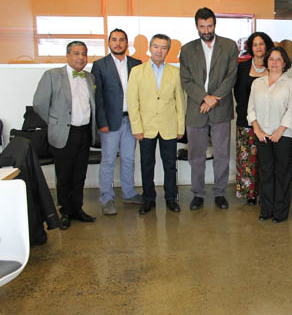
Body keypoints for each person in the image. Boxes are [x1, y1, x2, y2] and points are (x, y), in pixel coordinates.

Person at [33, 41, 98, 228]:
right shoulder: (52, 75)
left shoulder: (89, 77)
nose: (81, 57)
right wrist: (55, 122)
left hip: (84, 132)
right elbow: (39, 103)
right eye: (76, 53)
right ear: (68, 56)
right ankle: (64, 211)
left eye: (84, 54)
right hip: (64, 133)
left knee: (79, 173)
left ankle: (77, 208)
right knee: (64, 174)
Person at [180, 7, 239, 211]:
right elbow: (186, 79)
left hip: (220, 108)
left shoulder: (229, 46)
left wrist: (213, 99)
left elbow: (231, 76)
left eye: (210, 26)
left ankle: (220, 193)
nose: (206, 30)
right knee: (196, 155)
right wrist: (204, 97)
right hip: (196, 109)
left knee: (222, 154)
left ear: (215, 24)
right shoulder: (187, 49)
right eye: (202, 26)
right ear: (196, 26)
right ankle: (197, 193)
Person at [127, 34, 185, 214]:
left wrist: (180, 127)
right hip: (146, 128)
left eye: (163, 47)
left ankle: (171, 198)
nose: (159, 51)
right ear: (150, 48)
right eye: (156, 47)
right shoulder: (137, 71)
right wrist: (136, 127)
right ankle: (148, 199)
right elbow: (132, 102)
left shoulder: (175, 72)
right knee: (147, 165)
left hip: (169, 126)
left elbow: (180, 102)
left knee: (170, 165)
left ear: (168, 50)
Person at [91, 28, 143, 216]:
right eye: (114, 40)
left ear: (127, 43)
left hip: (131, 120)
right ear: (109, 43)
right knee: (108, 161)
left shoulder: (136, 64)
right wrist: (101, 122)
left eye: (121, 40)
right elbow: (97, 96)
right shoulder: (100, 65)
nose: (118, 43)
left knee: (128, 159)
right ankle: (106, 198)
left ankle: (129, 193)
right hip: (110, 122)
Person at [247, 47, 292, 223]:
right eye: (271, 59)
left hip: (283, 135)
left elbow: (291, 111)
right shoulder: (257, 83)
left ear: (284, 63)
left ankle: (280, 212)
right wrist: (257, 129)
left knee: (282, 174)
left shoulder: (290, 84)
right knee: (265, 173)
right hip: (262, 134)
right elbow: (251, 109)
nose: (274, 62)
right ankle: (266, 210)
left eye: (278, 59)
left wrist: (279, 131)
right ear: (266, 62)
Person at [233, 32, 273, 205]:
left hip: (268, 121)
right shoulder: (242, 67)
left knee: (266, 159)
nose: (258, 47)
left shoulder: (273, 66)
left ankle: (265, 193)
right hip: (246, 120)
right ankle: (250, 194)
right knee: (247, 158)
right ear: (250, 47)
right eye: (255, 44)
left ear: (267, 45)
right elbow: (237, 92)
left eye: (261, 44)